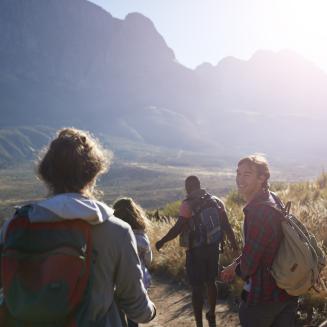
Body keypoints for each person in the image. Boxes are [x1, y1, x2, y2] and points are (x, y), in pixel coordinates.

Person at [0, 128, 156, 326]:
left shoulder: (16, 226)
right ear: (94, 172)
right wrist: (151, 312)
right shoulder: (116, 230)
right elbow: (136, 307)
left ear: (46, 173)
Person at [221, 154, 298, 327]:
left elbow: (249, 266)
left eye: (247, 174)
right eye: (238, 173)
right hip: (286, 291)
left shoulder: (258, 212)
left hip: (262, 298)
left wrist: (239, 270)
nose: (240, 179)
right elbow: (262, 246)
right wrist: (235, 264)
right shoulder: (273, 198)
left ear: (262, 177)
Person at [156, 175, 238, 327]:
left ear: (187, 188)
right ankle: (212, 314)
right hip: (213, 248)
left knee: (196, 288)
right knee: (211, 282)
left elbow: (178, 228)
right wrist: (234, 245)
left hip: (195, 251)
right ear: (200, 185)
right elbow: (226, 225)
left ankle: (199, 323)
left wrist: (162, 241)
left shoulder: (187, 205)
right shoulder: (216, 201)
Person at [113, 197, 153, 327]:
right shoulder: (141, 235)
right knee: (133, 317)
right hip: (139, 281)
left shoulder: (114, 234)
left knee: (118, 315)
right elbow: (148, 260)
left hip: (117, 282)